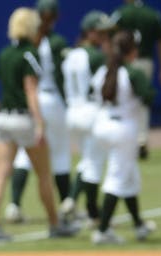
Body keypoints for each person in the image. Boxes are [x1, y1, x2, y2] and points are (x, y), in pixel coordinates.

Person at [0, 7, 77, 242]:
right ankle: (55, 224)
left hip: (2, 118)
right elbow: (30, 90)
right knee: (44, 174)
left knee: (0, 172)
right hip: (24, 119)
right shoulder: (29, 54)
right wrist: (40, 123)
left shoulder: (4, 53)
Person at [4, 0, 72, 226]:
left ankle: (14, 203)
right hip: (50, 98)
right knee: (60, 153)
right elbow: (61, 77)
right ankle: (66, 204)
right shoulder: (54, 42)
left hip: (29, 101)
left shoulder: (18, 47)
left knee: (24, 155)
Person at [89, 30, 157, 244]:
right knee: (117, 178)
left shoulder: (104, 70)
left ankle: (139, 225)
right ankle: (102, 230)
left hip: (102, 125)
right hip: (122, 128)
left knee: (129, 176)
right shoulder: (132, 72)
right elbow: (149, 97)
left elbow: (89, 93)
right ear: (132, 51)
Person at [62, 11, 113, 225]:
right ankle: (92, 212)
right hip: (91, 111)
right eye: (101, 33)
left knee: (87, 160)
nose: (104, 37)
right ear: (90, 32)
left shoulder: (71, 54)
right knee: (94, 164)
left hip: (72, 111)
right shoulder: (95, 56)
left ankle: (74, 200)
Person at [110, 0, 161, 158]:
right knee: (141, 101)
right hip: (145, 62)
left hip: (124, 62)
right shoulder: (153, 14)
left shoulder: (121, 13)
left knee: (122, 98)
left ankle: (124, 139)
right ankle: (141, 139)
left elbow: (109, 34)